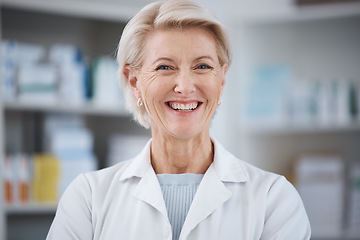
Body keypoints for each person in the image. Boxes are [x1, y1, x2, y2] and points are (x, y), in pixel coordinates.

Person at [46, 0, 311, 239]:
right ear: (135, 81)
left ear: (221, 79)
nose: (184, 86)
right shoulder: (88, 198)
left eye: (202, 66)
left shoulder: (273, 200)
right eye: (164, 67)